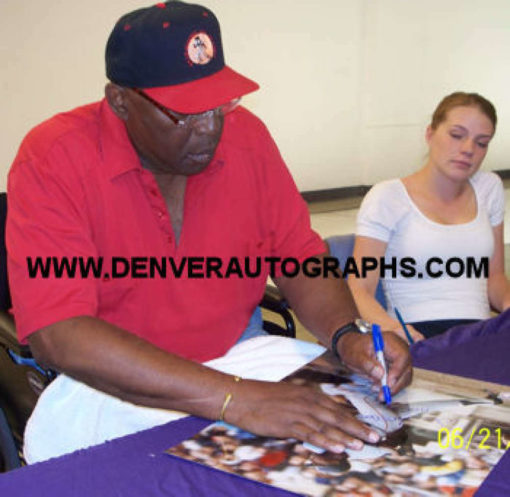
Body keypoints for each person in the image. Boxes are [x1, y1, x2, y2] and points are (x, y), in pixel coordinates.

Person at [6, 1, 411, 463]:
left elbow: (299, 256)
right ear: (120, 100)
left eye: (220, 105)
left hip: (239, 356)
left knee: (369, 450)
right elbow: (62, 334)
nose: (210, 128)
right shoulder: (54, 157)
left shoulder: (247, 137)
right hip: (112, 387)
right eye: (185, 113)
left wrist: (346, 335)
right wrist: (236, 399)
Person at [348, 92, 510, 341]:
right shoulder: (388, 197)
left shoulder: (489, 188)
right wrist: (392, 329)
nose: (468, 149)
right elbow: (359, 289)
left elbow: (495, 277)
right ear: (430, 134)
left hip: (477, 333)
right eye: (457, 135)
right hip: (416, 334)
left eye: (482, 142)